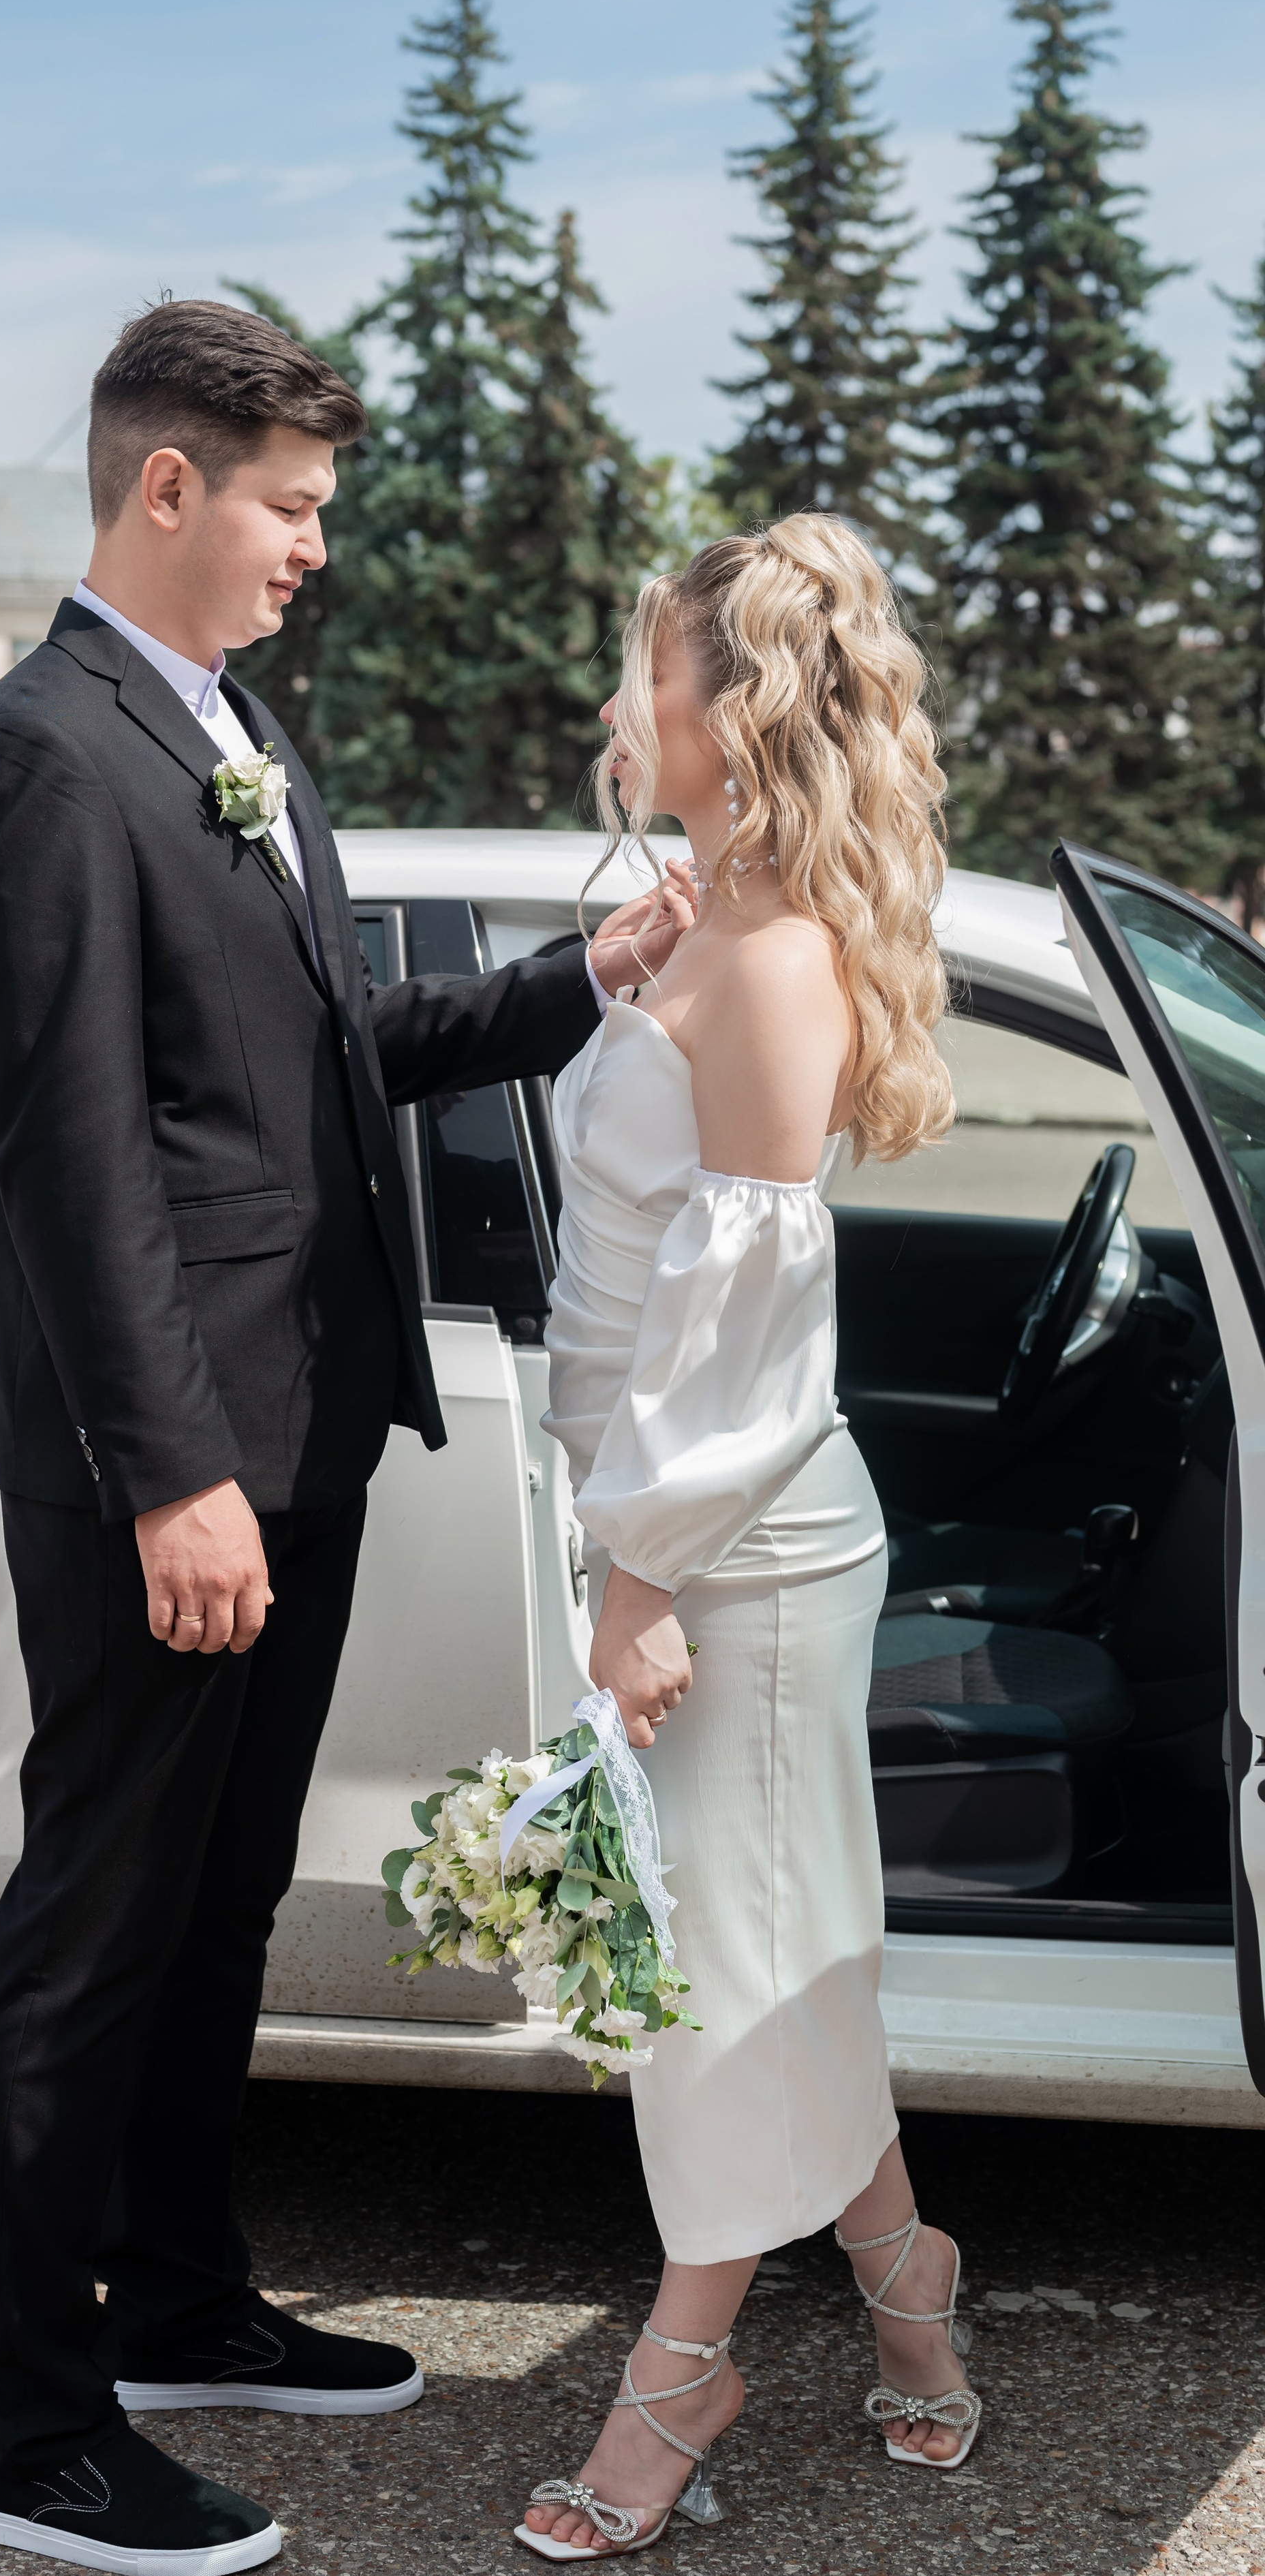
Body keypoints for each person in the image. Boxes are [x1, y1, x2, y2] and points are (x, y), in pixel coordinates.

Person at [0, 297, 680, 2575]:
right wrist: (173, 1473)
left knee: (217, 1900)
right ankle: (25, 2426)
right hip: (180, 1468)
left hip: (302, 1434)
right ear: (170, 485)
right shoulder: (47, 759)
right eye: (291, 505)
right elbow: (74, 1160)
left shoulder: (228, 730)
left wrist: (589, 974)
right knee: (98, 1920)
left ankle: (176, 2302)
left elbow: (329, 1047)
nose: (311, 551)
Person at [518, 515, 978, 2563]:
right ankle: (911, 2293)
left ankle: (682, 2372)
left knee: (707, 1982)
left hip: (739, 1551)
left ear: (739, 706)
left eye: (651, 672)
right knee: (767, 1952)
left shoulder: (776, 960)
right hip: (674, 1531)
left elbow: (750, 1333)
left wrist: (638, 1582)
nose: (627, 705)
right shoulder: (711, 919)